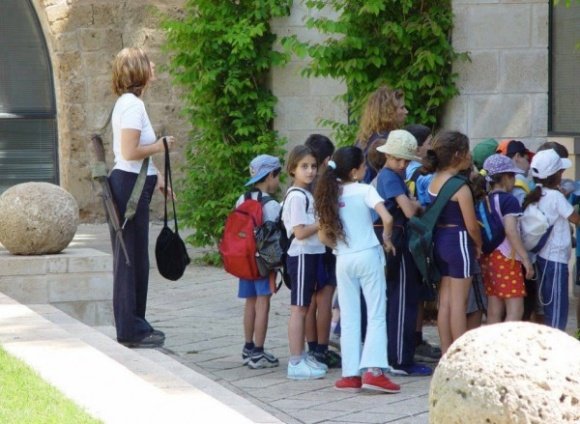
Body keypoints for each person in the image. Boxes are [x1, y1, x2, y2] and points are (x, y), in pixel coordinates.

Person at [314, 146, 401, 393]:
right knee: (375, 312)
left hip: (344, 258)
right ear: (354, 171)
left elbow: (322, 236)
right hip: (368, 255)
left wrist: (340, 247)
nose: (365, 169)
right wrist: (386, 238)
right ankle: (374, 371)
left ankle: (350, 373)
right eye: (363, 166)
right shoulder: (365, 190)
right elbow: (388, 218)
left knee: (349, 315)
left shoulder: (328, 194)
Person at [109, 47, 175, 348]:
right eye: (149, 61)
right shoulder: (133, 107)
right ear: (139, 70)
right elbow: (129, 152)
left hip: (133, 184)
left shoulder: (130, 103)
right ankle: (130, 329)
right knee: (129, 259)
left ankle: (136, 323)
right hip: (129, 188)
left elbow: (135, 157)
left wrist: (157, 177)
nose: (154, 64)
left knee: (135, 258)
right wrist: (160, 145)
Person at [374, 130, 432, 376]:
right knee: (401, 300)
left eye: (405, 160)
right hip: (397, 242)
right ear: (388, 155)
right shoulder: (390, 177)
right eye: (398, 159)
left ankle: (399, 355)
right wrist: (418, 205)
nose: (402, 164)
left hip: (396, 240)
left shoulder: (389, 175)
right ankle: (399, 359)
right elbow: (408, 211)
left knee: (403, 299)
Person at [424, 131, 482, 354]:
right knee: (460, 301)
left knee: (445, 302)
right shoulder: (460, 186)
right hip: (459, 242)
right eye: (467, 151)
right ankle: (460, 355)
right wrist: (478, 245)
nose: (470, 156)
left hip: (439, 241)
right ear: (458, 154)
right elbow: (472, 226)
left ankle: (447, 350)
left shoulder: (434, 179)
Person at [282, 145, 329, 380]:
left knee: (304, 307)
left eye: (312, 166)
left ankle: (301, 357)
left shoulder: (305, 194)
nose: (310, 171)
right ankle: (295, 361)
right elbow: (299, 232)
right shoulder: (297, 197)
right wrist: (322, 224)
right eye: (304, 166)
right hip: (301, 255)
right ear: (292, 169)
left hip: (310, 255)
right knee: (299, 309)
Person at [523, 149, 580, 330]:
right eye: (561, 172)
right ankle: (555, 348)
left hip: (543, 257)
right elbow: (576, 219)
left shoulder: (537, 193)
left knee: (548, 304)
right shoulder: (555, 196)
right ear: (555, 175)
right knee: (557, 309)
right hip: (555, 260)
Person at [237, 155, 282, 369]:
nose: (278, 181)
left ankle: (247, 347)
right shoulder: (272, 205)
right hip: (263, 263)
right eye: (277, 175)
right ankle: (259, 352)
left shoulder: (243, 198)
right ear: (270, 175)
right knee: (263, 303)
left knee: (250, 302)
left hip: (244, 260)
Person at [479, 154, 534, 323]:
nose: (514, 181)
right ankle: (508, 347)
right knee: (516, 308)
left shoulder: (484, 199)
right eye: (512, 176)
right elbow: (510, 230)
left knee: (494, 309)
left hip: (489, 258)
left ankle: (491, 346)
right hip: (507, 259)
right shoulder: (509, 201)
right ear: (504, 178)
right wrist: (525, 259)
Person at [403, 124, 441, 363]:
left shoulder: (404, 171)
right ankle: (415, 340)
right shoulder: (424, 176)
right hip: (420, 236)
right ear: (417, 148)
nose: (430, 147)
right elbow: (428, 204)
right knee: (419, 292)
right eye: (428, 142)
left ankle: (411, 338)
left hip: (406, 235)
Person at [303, 135, 341, 368]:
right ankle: (323, 349)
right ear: (327, 160)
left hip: (306, 249)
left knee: (309, 301)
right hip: (324, 246)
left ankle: (312, 347)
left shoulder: (301, 182)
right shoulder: (326, 183)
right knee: (324, 299)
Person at [355, 86, 408, 184]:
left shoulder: (364, 138)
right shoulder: (388, 140)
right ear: (389, 111)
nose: (406, 111)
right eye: (402, 108)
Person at [496, 139, 534, 206]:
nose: (529, 165)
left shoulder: (497, 181)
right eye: (527, 159)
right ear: (518, 156)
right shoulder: (519, 180)